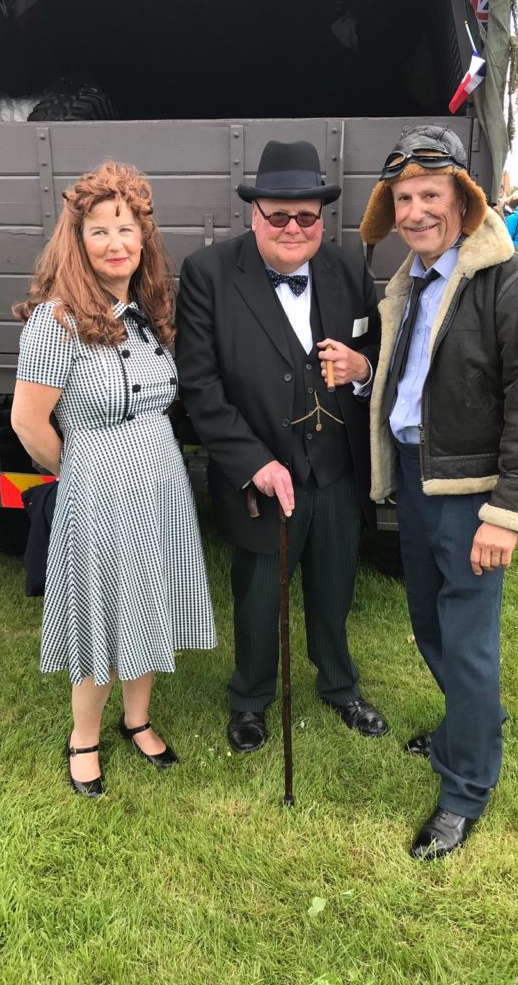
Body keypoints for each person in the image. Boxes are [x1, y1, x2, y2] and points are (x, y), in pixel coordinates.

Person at [360, 125, 518, 859]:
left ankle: (465, 787)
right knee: (432, 624)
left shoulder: (515, 284)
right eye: (403, 198)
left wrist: (506, 514)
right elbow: (421, 376)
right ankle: (467, 726)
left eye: (430, 196)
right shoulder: (412, 281)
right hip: (417, 480)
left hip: (472, 495)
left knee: (469, 643)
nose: (415, 211)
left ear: (464, 203)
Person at [11, 162, 217, 797]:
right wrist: (77, 469)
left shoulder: (149, 312)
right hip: (97, 485)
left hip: (160, 481)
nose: (115, 243)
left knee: (149, 599)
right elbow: (28, 422)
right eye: (98, 231)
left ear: (143, 239)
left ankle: (137, 720)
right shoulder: (57, 321)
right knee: (101, 610)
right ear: (77, 241)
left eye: (126, 228)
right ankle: (84, 738)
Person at [175, 140, 387, 754]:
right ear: (254, 215)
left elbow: (379, 357)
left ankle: (339, 685)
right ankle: (250, 698)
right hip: (261, 475)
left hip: (337, 468)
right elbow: (200, 385)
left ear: (322, 218)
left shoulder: (349, 269)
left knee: (335, 584)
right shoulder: (209, 273)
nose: (294, 228)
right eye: (279, 216)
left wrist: (363, 368)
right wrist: (253, 462)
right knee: (259, 592)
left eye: (307, 216)